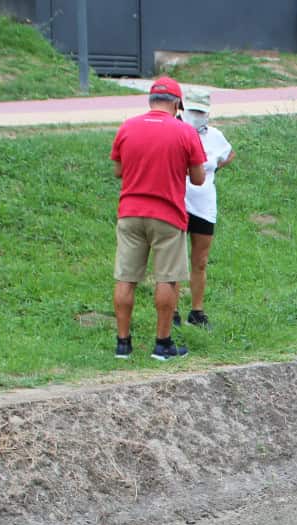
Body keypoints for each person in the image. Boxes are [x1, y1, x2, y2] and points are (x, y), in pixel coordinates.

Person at [110, 76, 206, 361]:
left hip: (130, 213)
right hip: (167, 215)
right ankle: (162, 344)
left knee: (126, 278)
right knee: (168, 279)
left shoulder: (127, 127)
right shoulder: (184, 131)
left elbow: (118, 170)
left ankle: (123, 345)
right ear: (177, 104)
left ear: (150, 101)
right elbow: (199, 179)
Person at [178, 87, 234, 330]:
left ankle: (197, 311)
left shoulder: (214, 136)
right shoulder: (174, 132)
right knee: (175, 261)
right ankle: (171, 312)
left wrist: (213, 170)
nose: (197, 115)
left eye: (202, 111)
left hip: (204, 206)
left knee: (200, 260)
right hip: (178, 203)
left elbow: (229, 154)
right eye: (193, 110)